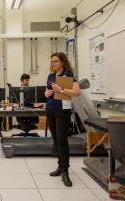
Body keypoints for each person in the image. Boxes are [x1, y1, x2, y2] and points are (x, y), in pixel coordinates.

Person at [45, 52, 80, 187]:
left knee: (62, 141)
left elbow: (77, 92)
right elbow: (46, 92)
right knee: (55, 140)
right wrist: (47, 93)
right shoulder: (51, 76)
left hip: (63, 111)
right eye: (52, 61)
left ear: (63, 62)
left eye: (56, 61)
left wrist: (61, 89)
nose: (53, 64)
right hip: (50, 109)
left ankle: (65, 171)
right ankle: (60, 167)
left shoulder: (68, 75)